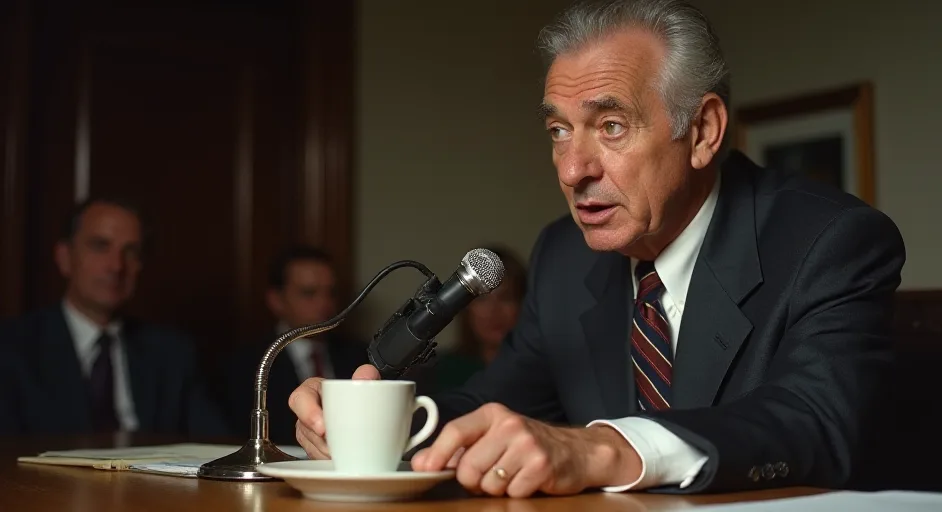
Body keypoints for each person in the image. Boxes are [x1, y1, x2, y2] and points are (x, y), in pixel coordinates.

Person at [289, 0, 906, 499]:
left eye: (611, 126)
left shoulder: (830, 241)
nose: (573, 169)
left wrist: (604, 449)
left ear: (703, 132)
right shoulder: (564, 255)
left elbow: (817, 421)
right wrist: (372, 425)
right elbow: (491, 404)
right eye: (559, 130)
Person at [0, 197, 227, 437]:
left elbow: (215, 447)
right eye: (100, 246)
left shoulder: (171, 353)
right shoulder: (12, 348)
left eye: (131, 252)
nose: (117, 266)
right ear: (65, 257)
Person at [218, 245, 368, 443]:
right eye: (308, 293)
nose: (324, 303)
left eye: (331, 292)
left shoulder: (359, 355)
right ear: (276, 300)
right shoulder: (249, 363)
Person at [420, 245, 528, 394]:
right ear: (466, 307)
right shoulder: (440, 370)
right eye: (482, 299)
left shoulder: (539, 369)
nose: (493, 311)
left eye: (505, 298)